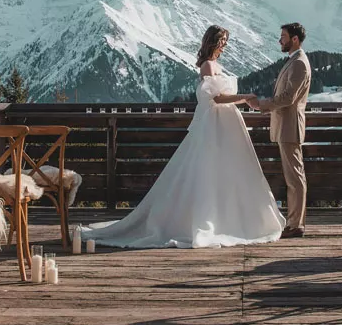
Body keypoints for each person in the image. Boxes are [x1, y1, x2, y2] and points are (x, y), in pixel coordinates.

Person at [79, 25, 286, 248]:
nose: (224, 45)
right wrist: (245, 97)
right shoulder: (207, 66)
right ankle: (207, 219)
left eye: (226, 41)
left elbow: (222, 98)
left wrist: (244, 100)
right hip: (214, 125)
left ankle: (228, 218)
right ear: (213, 42)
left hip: (226, 124)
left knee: (227, 170)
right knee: (207, 171)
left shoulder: (217, 65)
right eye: (222, 41)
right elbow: (216, 98)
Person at [253, 23, 312, 238]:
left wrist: (263, 104)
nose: (280, 40)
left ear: (294, 39)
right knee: (294, 177)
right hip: (286, 125)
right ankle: (294, 222)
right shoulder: (294, 62)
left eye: (283, 36)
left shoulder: (299, 64)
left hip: (290, 126)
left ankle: (296, 225)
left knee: (295, 177)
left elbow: (288, 98)